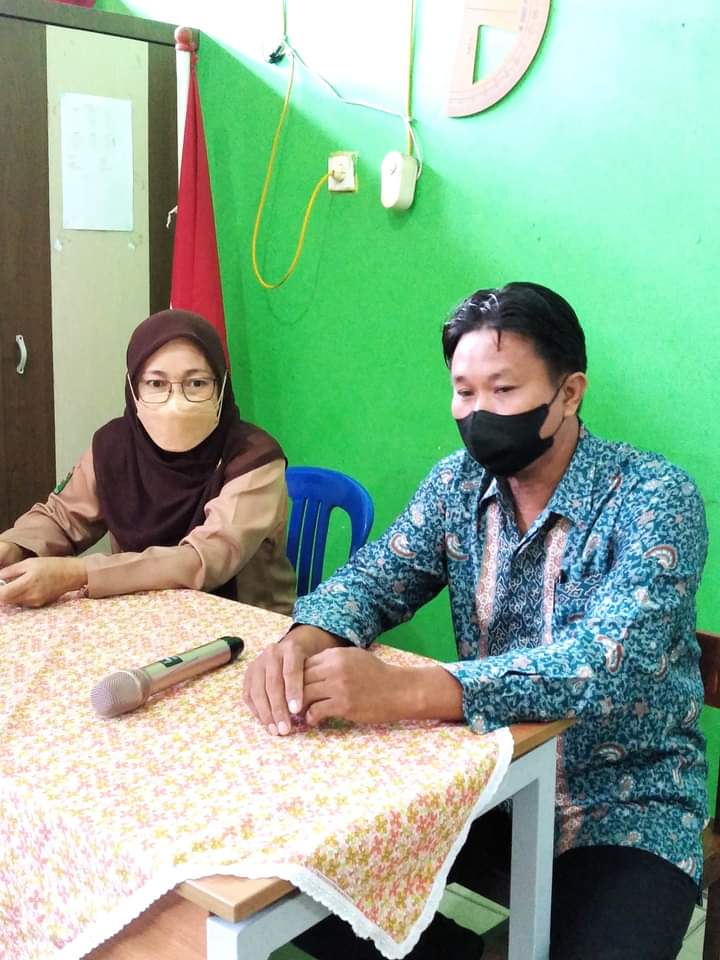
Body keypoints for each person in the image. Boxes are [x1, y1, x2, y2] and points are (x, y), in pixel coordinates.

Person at [244, 283, 708, 959]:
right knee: (288, 882)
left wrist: (406, 690)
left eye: (503, 389)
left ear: (569, 393)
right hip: (483, 783)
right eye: (463, 391)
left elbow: (607, 662)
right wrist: (305, 639)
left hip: (620, 805)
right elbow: (375, 578)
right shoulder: (456, 485)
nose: (478, 412)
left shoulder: (655, 498)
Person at [0, 309, 295, 614]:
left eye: (196, 383)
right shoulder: (114, 447)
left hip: (241, 620)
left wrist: (79, 574)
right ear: (133, 388)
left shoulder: (254, 457)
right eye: (156, 383)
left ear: (220, 386)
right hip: (140, 614)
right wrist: (15, 546)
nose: (176, 402)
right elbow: (64, 517)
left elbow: (206, 559)